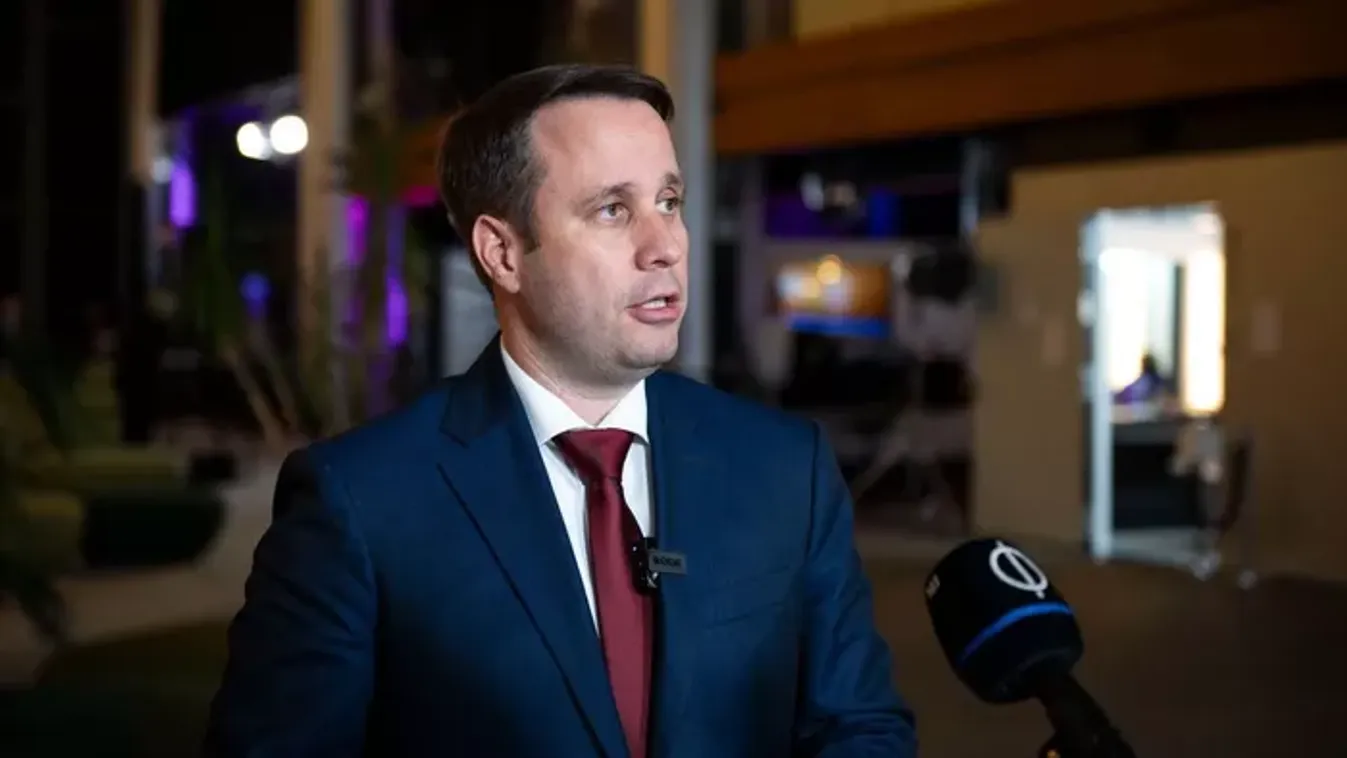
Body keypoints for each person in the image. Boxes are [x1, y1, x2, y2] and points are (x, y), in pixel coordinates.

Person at [206, 63, 916, 757]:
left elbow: (859, 727)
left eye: (669, 201)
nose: (665, 246)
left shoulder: (786, 468)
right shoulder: (358, 503)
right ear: (502, 252)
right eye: (613, 210)